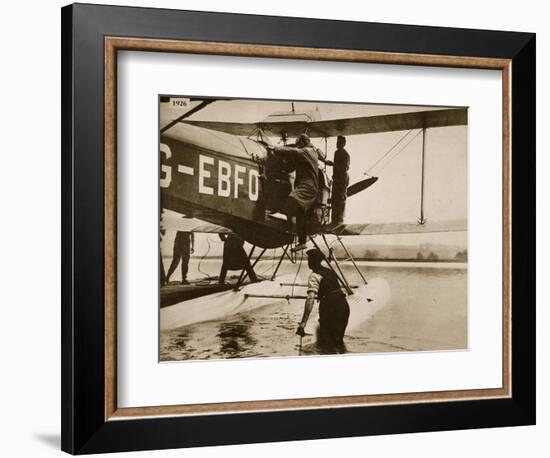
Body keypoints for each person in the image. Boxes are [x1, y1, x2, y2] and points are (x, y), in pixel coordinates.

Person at [272, 133, 319, 251]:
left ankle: (286, 221)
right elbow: (291, 168)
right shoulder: (307, 154)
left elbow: (294, 151)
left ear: (303, 142)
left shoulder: (307, 151)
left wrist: (275, 149)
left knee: (291, 200)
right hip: (307, 186)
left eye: (299, 144)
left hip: (308, 186)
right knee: (300, 214)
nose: (298, 147)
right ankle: (302, 242)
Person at [296, 249, 350, 351]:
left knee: (327, 344)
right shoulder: (330, 272)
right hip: (344, 307)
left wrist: (303, 323)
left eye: (309, 259)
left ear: (313, 261)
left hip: (330, 309)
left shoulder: (314, 275)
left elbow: (310, 298)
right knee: (338, 342)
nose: (308, 262)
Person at [331, 135, 350, 225]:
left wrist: (333, 164)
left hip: (342, 180)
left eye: (340, 143)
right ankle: (334, 220)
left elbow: (345, 168)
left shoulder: (346, 155)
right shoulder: (336, 153)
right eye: (337, 142)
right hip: (336, 179)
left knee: (340, 199)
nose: (337, 144)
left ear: (344, 144)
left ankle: (339, 220)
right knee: (334, 199)